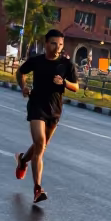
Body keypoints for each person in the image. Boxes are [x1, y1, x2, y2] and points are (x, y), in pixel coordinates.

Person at [13, 29, 78, 204]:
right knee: (40, 143)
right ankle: (37, 188)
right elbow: (20, 73)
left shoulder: (67, 65)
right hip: (36, 105)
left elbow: (76, 87)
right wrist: (23, 87)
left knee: (41, 146)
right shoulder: (37, 61)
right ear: (46, 43)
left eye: (61, 44)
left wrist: (63, 82)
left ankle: (22, 160)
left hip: (55, 109)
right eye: (54, 43)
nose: (57, 47)